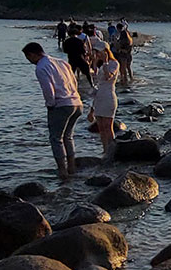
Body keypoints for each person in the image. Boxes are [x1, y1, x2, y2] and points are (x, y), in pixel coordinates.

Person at [22, 42, 82, 181]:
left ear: (33, 54)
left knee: (56, 138)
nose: (29, 61)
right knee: (68, 136)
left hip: (61, 105)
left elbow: (48, 89)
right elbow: (74, 80)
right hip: (76, 103)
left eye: (28, 57)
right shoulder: (61, 62)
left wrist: (50, 105)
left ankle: (62, 171)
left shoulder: (41, 67)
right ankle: (72, 167)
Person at [88, 40, 119, 160]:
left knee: (108, 126)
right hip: (99, 96)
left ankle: (111, 151)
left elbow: (108, 76)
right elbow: (96, 80)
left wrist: (105, 62)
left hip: (108, 96)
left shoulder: (114, 64)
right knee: (100, 127)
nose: (98, 54)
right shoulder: (100, 65)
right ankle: (105, 150)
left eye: (99, 52)